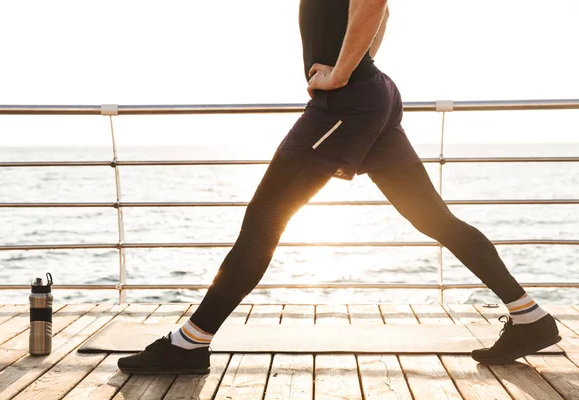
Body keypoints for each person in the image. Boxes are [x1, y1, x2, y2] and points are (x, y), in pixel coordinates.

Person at [118, 0, 561, 374]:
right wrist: (356, 65)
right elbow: (379, 15)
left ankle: (190, 344)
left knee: (263, 220)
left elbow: (374, 3)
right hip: (368, 95)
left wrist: (341, 74)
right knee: (432, 218)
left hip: (347, 103)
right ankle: (529, 317)